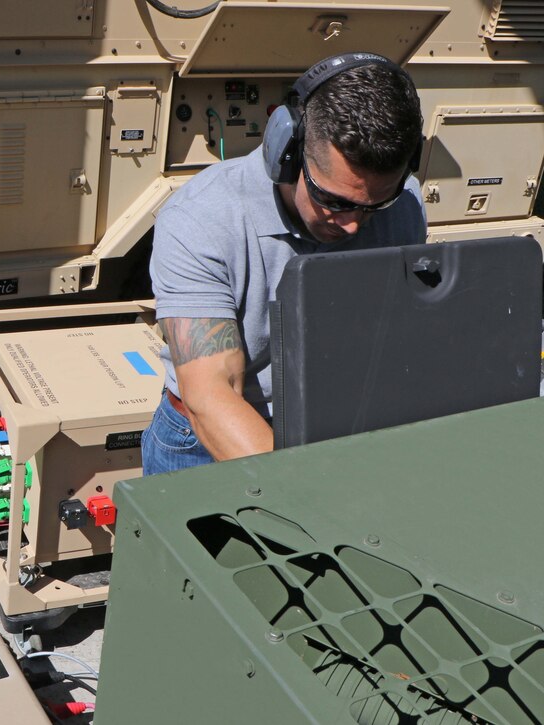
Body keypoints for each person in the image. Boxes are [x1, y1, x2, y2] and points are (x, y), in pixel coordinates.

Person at [142, 52, 427, 476]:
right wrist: (305, 495)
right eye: (333, 201)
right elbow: (211, 395)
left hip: (333, 431)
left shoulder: (402, 206)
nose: (352, 225)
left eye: (373, 205)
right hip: (207, 442)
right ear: (287, 153)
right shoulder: (200, 218)